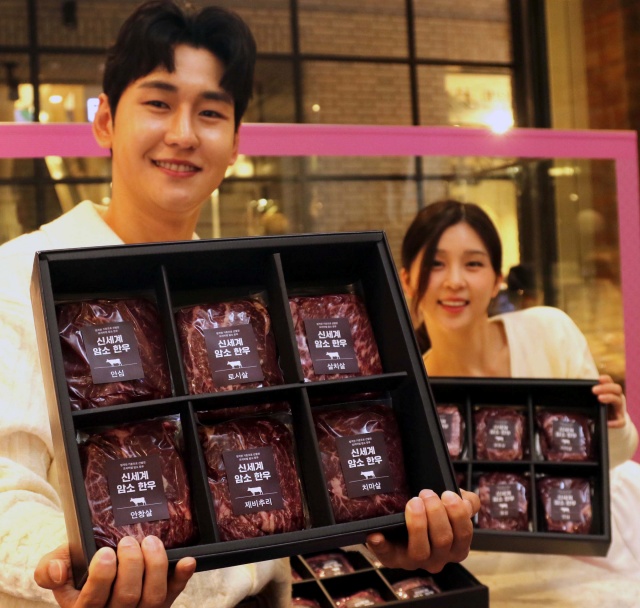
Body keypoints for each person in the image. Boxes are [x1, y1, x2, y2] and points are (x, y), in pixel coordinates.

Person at [0, 4, 479, 607]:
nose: (183, 133)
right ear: (105, 121)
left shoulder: (245, 298)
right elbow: (7, 487)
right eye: (158, 103)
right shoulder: (16, 278)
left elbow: (293, 472)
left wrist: (390, 522)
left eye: (210, 112)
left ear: (234, 144)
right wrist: (70, 564)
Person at [399, 199, 640, 606]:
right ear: (406, 280)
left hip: (596, 536)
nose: (454, 281)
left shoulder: (549, 331)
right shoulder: (410, 391)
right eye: (436, 264)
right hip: (486, 565)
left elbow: (610, 461)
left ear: (496, 280)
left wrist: (613, 425)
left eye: (473, 264)